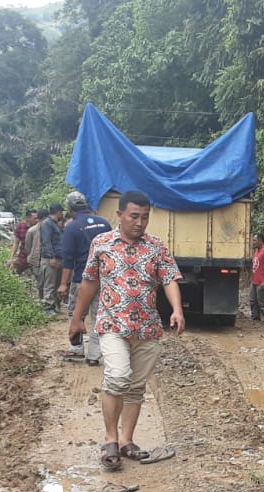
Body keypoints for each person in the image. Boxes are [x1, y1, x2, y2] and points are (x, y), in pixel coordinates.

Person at [68, 190, 185, 471]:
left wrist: (177, 309)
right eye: (134, 216)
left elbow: (169, 279)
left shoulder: (157, 246)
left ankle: (126, 441)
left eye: (145, 217)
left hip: (147, 328)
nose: (140, 222)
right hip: (112, 326)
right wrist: (77, 318)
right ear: (119, 215)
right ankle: (110, 439)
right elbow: (89, 282)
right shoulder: (102, 243)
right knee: (118, 377)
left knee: (135, 388)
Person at [58, 191, 112, 362]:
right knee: (99, 314)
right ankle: (95, 354)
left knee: (77, 313)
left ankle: (76, 349)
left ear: (70, 208)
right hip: (103, 278)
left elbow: (68, 259)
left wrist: (63, 284)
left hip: (81, 279)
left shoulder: (72, 227)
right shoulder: (104, 223)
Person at [37, 203, 65, 314]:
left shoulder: (55, 224)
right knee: (49, 284)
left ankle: (54, 306)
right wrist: (51, 257)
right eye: (61, 212)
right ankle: (48, 308)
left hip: (58, 259)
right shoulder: (47, 224)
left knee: (56, 284)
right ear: (58, 212)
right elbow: (46, 241)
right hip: (50, 260)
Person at [250, 231, 264, 321]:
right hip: (254, 280)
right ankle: (255, 317)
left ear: (260, 241)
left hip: (261, 281)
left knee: (261, 301)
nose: (253, 242)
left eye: (255, 240)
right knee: (252, 300)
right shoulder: (256, 251)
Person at [10, 208, 37, 274]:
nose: (37, 220)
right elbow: (16, 243)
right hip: (23, 257)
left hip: (35, 258)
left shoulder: (39, 227)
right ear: (28, 218)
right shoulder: (20, 226)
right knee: (12, 270)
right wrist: (11, 257)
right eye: (35, 218)